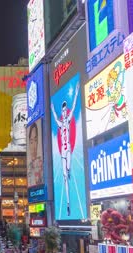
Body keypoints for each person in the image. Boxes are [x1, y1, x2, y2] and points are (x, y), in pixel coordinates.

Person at [51, 82, 80, 217]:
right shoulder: (60, 122)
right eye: (62, 111)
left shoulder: (67, 121)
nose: (63, 113)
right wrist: (51, 108)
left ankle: (68, 173)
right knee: (64, 177)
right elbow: (55, 117)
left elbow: (73, 107)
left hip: (68, 149)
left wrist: (76, 93)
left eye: (64, 111)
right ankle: (68, 204)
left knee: (68, 170)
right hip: (63, 153)